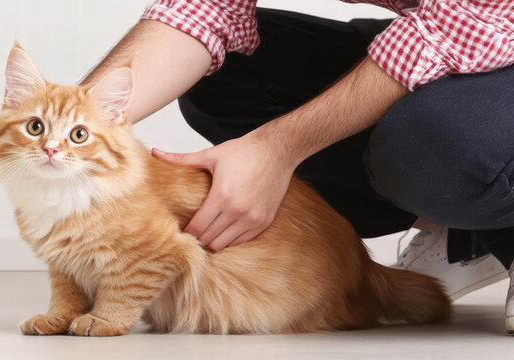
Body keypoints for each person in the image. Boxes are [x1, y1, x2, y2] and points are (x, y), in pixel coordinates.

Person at [80, 0, 514, 333]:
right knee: (224, 76)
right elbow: (201, 11)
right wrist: (70, 123)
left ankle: (497, 217)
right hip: (457, 32)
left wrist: (274, 151)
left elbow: (456, 29)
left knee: (431, 139)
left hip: (487, 29)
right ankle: (467, 225)